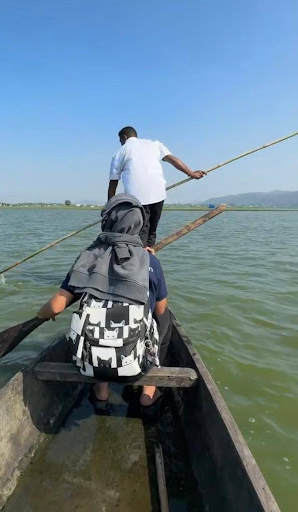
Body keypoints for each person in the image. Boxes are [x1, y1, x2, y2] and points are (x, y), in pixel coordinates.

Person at [37, 193, 171, 411]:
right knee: (166, 320)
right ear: (139, 224)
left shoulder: (88, 256)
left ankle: (101, 392)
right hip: (136, 366)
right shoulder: (150, 261)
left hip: (89, 366)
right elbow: (161, 308)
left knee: (97, 318)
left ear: (106, 221)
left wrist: (41, 315)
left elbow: (56, 307)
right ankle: (148, 391)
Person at [108, 126, 206, 247]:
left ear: (124, 137)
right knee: (152, 231)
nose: (121, 143)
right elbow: (172, 159)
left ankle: (142, 259)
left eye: (120, 141)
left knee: (140, 232)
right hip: (158, 194)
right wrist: (191, 173)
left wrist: (110, 207)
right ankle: (150, 257)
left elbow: (113, 183)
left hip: (137, 199)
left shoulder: (120, 152)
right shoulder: (154, 144)